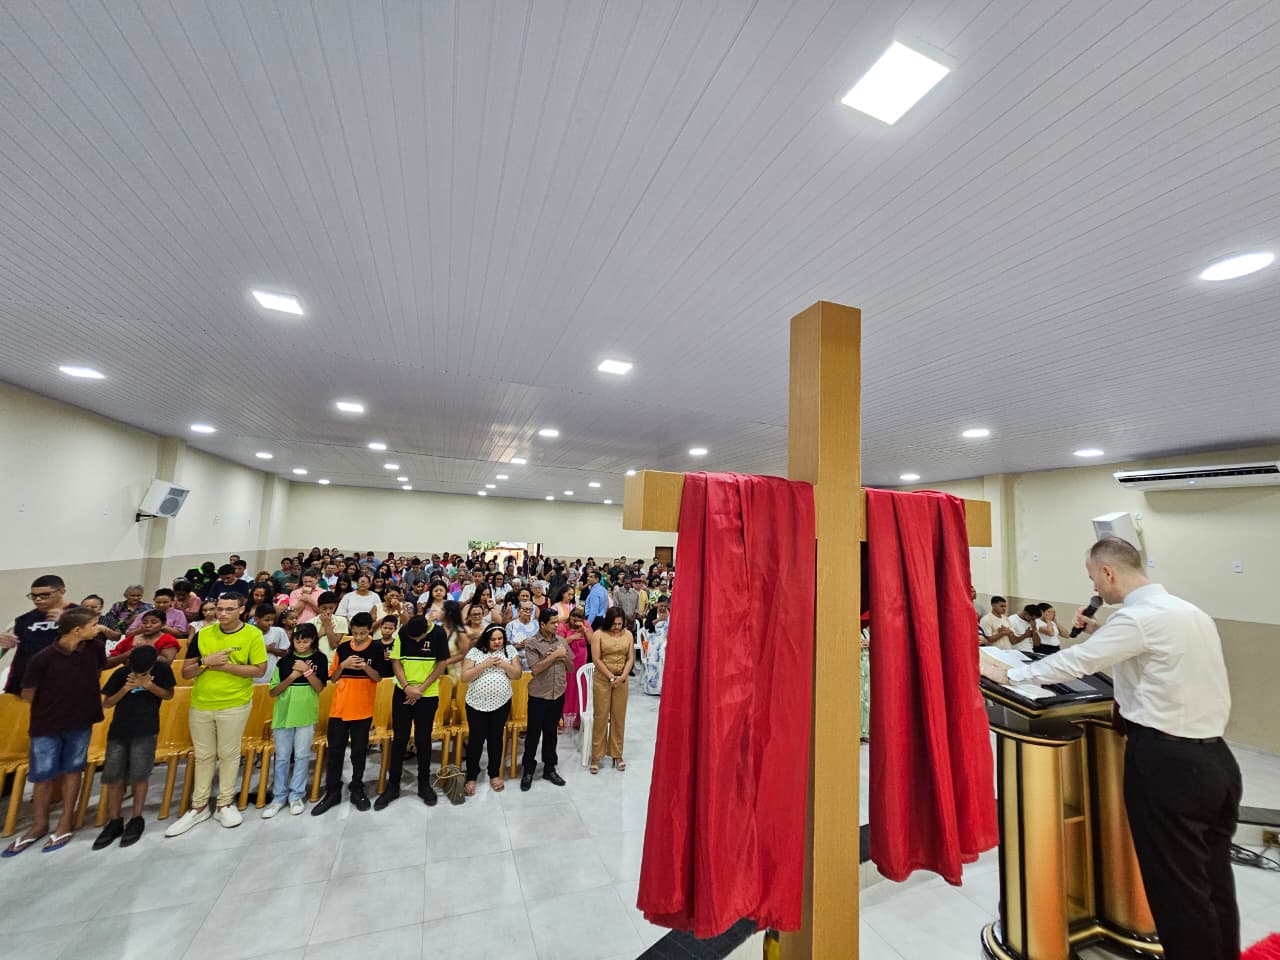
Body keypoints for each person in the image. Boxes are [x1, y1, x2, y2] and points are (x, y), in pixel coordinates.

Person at [979, 538, 1240, 960]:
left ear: (1108, 574)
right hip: (1217, 762)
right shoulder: (1187, 612)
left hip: (1167, 763)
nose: (1095, 589)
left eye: (1093, 579)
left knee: (1177, 891)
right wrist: (1102, 631)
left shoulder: (1136, 619)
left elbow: (1074, 662)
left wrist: (1008, 677)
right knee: (1212, 881)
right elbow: (1152, 658)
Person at [2, 607, 105, 856]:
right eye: (93, 625)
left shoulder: (94, 648)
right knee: (42, 774)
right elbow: (29, 693)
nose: (97, 628)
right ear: (77, 630)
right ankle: (39, 824)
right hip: (47, 723)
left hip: (81, 720)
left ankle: (65, 821)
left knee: (72, 770)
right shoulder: (42, 658)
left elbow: (98, 671)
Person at [164, 593, 267, 837]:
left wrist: (225, 666)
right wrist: (205, 662)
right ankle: (199, 806)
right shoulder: (203, 634)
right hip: (201, 703)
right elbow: (187, 672)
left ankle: (224, 803)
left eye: (229, 609)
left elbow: (259, 669)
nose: (222, 614)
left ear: (242, 610)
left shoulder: (252, 635)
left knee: (229, 753)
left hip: (235, 703)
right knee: (204, 755)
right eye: (220, 609)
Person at [94, 644, 175, 848]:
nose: (140, 674)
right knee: (114, 777)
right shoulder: (122, 673)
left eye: (145, 671)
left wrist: (149, 685)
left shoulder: (162, 670)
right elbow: (107, 703)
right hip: (119, 731)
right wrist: (125, 688)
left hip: (146, 730)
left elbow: (168, 695)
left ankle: (136, 817)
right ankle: (114, 820)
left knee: (140, 775)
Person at [375, 615, 452, 809]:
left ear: (426, 631)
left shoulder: (439, 633)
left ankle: (423, 784)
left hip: (427, 693)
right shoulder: (403, 631)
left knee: (423, 739)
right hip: (403, 691)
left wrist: (420, 690)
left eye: (419, 639)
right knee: (399, 739)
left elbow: (441, 664)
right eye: (413, 639)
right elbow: (396, 662)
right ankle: (393, 785)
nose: (416, 642)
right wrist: (407, 687)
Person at [312, 612, 383, 815]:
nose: (359, 637)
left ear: (370, 630)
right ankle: (332, 792)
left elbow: (378, 677)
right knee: (335, 752)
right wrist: (343, 665)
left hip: (362, 709)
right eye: (355, 633)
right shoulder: (343, 648)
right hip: (339, 709)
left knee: (359, 752)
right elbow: (333, 678)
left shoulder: (376, 648)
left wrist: (365, 666)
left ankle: (357, 788)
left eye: (363, 633)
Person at [262, 622, 327, 818]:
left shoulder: (319, 659)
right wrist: (293, 676)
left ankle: (297, 795)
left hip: (306, 714)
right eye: (298, 640)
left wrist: (306, 672)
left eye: (305, 640)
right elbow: (273, 691)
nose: (301, 644)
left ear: (312, 640)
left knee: (301, 755)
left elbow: (319, 688)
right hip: (283, 714)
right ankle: (279, 796)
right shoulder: (284, 661)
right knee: (282, 757)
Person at [459, 624, 522, 796]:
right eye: (493, 639)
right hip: (475, 704)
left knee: (496, 739)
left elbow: (517, 674)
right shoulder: (475, 652)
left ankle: (494, 773)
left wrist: (504, 665)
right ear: (486, 639)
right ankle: (471, 775)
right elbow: (464, 677)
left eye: (500, 639)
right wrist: (484, 665)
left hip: (501, 703)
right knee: (476, 740)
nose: (496, 642)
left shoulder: (509, 650)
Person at [521, 609, 573, 791]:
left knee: (551, 733)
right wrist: (554, 656)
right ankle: (528, 769)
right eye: (552, 623)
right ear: (542, 624)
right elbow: (535, 669)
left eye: (557, 622)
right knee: (533, 733)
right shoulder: (532, 644)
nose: (556, 625)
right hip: (539, 695)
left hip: (557, 692)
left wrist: (564, 656)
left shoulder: (562, 642)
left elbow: (571, 666)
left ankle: (549, 768)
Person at [2, 575, 74, 696]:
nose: (38, 599)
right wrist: (3, 643)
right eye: (33, 596)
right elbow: (4, 650)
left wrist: (68, 622)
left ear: (62, 591)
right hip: (23, 685)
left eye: (45, 595)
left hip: (64, 684)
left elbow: (92, 645)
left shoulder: (81, 615)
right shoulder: (23, 620)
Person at [589, 607, 634, 774]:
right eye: (614, 624)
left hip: (621, 679)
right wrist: (610, 677)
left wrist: (622, 676)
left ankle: (617, 753)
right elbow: (596, 659)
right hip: (603, 679)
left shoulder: (627, 634)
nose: (617, 627)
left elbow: (630, 658)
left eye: (620, 624)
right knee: (601, 716)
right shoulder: (598, 635)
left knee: (618, 717)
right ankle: (596, 755)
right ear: (608, 622)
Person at [106, 608, 181, 667]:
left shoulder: (168, 640)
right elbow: (108, 663)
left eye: (154, 622)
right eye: (144, 622)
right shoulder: (130, 639)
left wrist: (145, 652)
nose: (148, 625)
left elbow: (167, 661)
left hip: (157, 674)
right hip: (129, 673)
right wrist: (129, 653)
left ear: (163, 624)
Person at [556, 608, 591, 728]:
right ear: (570, 617)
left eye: (579, 618)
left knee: (579, 689)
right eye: (574, 617)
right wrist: (572, 637)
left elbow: (591, 641)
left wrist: (585, 629)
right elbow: (559, 644)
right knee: (566, 688)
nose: (576, 620)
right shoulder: (562, 627)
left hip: (581, 662)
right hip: (567, 662)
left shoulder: (585, 625)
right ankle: (561, 720)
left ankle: (578, 719)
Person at [252, 603, 291, 685]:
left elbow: (286, 654)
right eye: (267, 620)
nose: (270, 623)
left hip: (271, 677)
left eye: (272, 620)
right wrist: (262, 648)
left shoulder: (279, 632)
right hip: (252, 679)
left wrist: (272, 649)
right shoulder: (249, 633)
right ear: (256, 619)